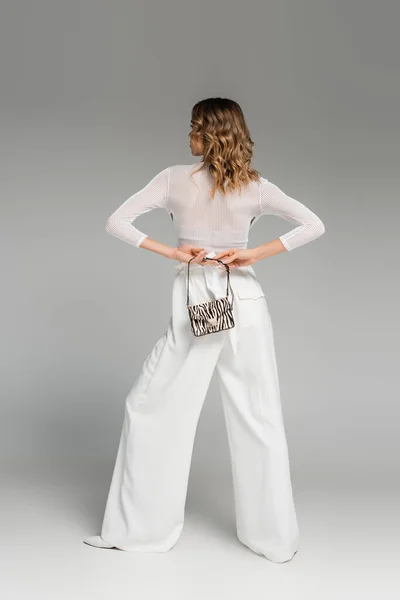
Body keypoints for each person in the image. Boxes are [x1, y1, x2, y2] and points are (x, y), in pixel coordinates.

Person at [83, 97, 325, 563]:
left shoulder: (174, 179)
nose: (187, 135)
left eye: (193, 127)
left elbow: (117, 222)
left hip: (196, 300)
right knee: (259, 415)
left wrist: (175, 253)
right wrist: (252, 256)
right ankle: (273, 540)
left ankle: (140, 531)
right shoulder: (256, 187)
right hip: (246, 301)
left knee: (153, 408)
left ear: (209, 134)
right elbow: (312, 225)